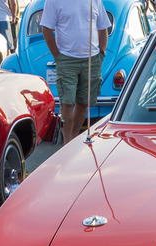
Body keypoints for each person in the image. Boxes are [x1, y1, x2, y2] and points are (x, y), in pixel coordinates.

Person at [41, 0, 111, 145]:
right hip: (66, 59)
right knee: (67, 102)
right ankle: (67, 140)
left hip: (92, 59)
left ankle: (73, 137)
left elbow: (103, 27)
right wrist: (58, 57)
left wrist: (101, 53)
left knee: (83, 102)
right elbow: (46, 29)